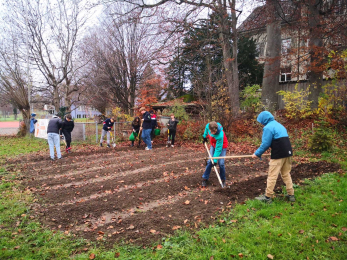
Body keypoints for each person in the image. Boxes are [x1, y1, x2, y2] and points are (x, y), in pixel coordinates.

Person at [252, 111, 295, 203]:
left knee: (272, 175)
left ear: (264, 120)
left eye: (261, 122)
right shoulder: (280, 125)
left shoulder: (268, 128)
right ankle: (291, 194)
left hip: (278, 154)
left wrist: (257, 153)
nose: (261, 124)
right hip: (288, 153)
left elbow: (265, 144)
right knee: (286, 174)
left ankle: (267, 197)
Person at [202, 121, 228, 188]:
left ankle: (223, 180)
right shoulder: (208, 126)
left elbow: (218, 149)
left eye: (214, 131)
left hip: (222, 147)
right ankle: (205, 178)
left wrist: (215, 160)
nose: (213, 133)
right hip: (213, 145)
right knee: (210, 162)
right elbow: (206, 129)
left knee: (221, 163)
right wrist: (204, 136)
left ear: (216, 129)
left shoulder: (220, 135)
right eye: (212, 131)